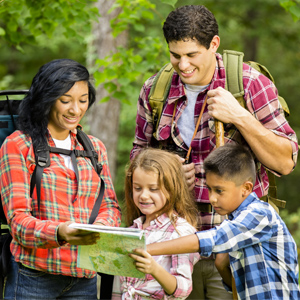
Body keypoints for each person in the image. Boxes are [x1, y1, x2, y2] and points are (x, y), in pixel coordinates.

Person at [130, 5, 299, 299]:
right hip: (177, 247)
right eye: (175, 55)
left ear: (214, 44)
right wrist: (165, 171)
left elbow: (286, 161)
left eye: (192, 55)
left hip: (235, 247)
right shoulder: (155, 90)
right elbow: (137, 159)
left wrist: (241, 117)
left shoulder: (249, 84)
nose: (182, 65)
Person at [0, 59, 121, 299]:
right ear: (46, 98)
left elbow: (110, 206)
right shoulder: (18, 145)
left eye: (83, 100)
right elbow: (18, 221)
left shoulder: (95, 148)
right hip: (33, 277)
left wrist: (102, 228)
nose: (75, 109)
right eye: (65, 100)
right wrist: (60, 233)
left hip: (84, 278)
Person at [142, 144, 300, 300]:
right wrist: (220, 265)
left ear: (246, 188)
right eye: (209, 189)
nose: (212, 198)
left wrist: (147, 248)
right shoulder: (234, 221)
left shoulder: (259, 214)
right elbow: (238, 287)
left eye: (219, 190)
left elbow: (212, 239)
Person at [113, 148, 200, 299]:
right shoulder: (132, 230)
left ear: (172, 188)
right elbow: (119, 286)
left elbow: (183, 289)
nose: (144, 195)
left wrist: (154, 269)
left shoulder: (181, 232)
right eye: (137, 188)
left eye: (153, 189)